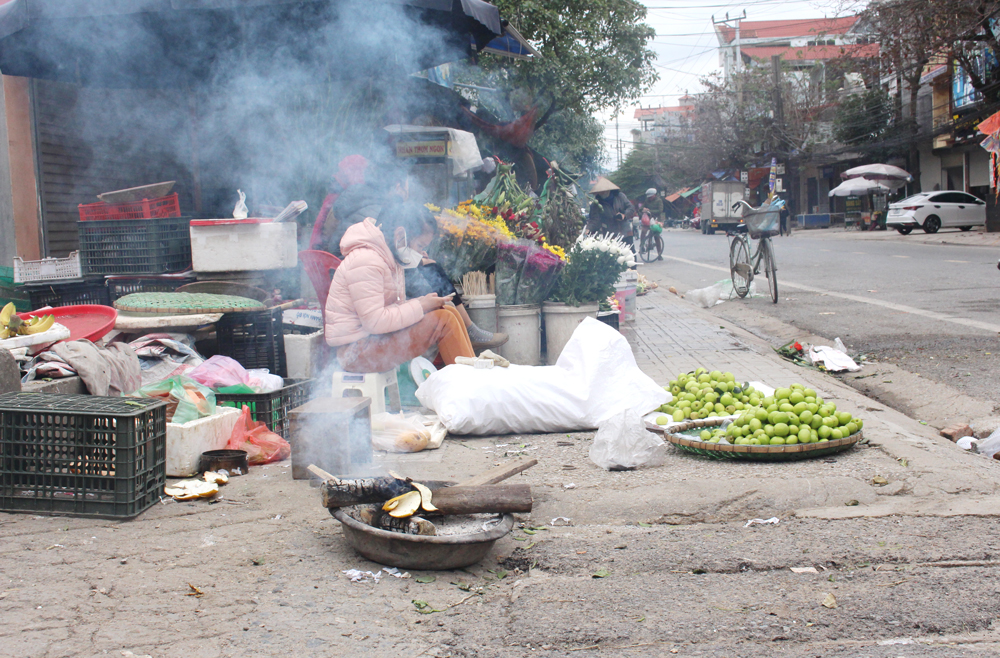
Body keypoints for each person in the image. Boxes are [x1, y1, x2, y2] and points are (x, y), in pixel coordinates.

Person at [321, 163, 507, 349]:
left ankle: (468, 334)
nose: (406, 193)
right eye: (406, 187)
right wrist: (422, 305)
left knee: (432, 275)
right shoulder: (381, 218)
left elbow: (328, 228)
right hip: (357, 313)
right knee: (432, 284)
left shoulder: (354, 196)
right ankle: (467, 336)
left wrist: (414, 256)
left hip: (343, 264)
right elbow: (375, 320)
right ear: (396, 186)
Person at [324, 202, 476, 373]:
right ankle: (470, 386)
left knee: (449, 310)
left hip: (372, 341)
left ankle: (473, 375)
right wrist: (420, 306)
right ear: (399, 236)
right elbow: (375, 322)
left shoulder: (387, 258)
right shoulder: (366, 261)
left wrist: (424, 302)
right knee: (443, 320)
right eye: (420, 246)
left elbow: (390, 311)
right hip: (355, 352)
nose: (422, 254)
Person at [586, 177, 636, 256]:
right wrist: (588, 229)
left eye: (604, 191)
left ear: (608, 190)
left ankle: (633, 269)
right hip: (610, 233)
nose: (602, 193)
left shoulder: (620, 197)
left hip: (625, 231)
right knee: (614, 256)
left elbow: (631, 208)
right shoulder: (596, 204)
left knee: (630, 254)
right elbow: (594, 220)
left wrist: (624, 215)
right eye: (600, 192)